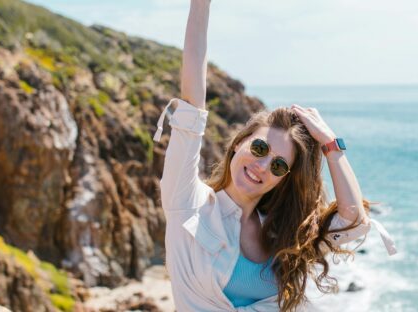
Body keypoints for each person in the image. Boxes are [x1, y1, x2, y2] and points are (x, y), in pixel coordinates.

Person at [153, 0, 397, 311]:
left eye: (279, 165)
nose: (263, 165)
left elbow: (352, 220)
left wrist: (331, 145)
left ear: (283, 180)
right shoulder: (187, 202)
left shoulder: (285, 232)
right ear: (239, 143)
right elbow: (191, 106)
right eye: (259, 148)